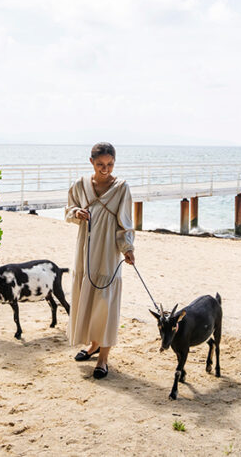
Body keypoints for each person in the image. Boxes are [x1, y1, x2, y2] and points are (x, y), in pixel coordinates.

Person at [65, 142, 135, 380]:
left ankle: (103, 357)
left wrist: (127, 248)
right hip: (85, 249)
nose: (105, 169)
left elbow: (126, 222)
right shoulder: (80, 185)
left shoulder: (121, 188)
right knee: (88, 297)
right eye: (100, 164)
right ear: (91, 162)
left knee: (105, 301)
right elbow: (68, 210)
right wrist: (76, 213)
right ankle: (94, 345)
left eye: (110, 164)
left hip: (108, 251)